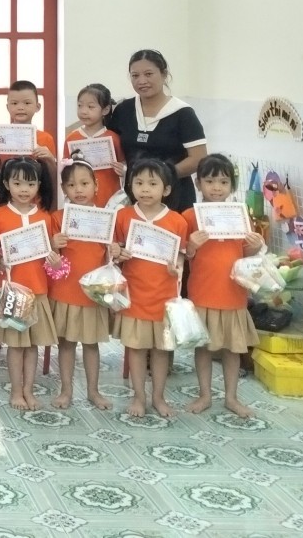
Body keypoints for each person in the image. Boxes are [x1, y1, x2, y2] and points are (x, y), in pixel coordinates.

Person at [183, 153, 264, 417]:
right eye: (209, 181)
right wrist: (191, 245)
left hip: (233, 293)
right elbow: (183, 255)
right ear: (198, 183)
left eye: (223, 182)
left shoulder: (240, 215)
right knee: (204, 347)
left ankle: (231, 397)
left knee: (233, 348)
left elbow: (245, 253)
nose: (216, 188)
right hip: (203, 291)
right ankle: (205, 395)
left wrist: (254, 247)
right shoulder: (189, 217)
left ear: (232, 185)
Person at [113, 157, 188, 419]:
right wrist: (117, 253)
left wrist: (176, 268)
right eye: (139, 183)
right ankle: (139, 396)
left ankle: (158, 397)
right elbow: (114, 249)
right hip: (134, 295)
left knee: (161, 349)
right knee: (135, 348)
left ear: (166, 189)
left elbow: (180, 257)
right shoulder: (123, 216)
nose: (145, 189)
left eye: (152, 184)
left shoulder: (177, 221)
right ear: (131, 186)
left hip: (164, 297)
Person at [0, 156, 60, 411]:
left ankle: (29, 389)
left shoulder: (45, 218)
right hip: (12, 291)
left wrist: (55, 259)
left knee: (32, 345)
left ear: (38, 186)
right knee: (16, 345)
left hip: (38, 290)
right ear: (6, 184)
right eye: (17, 183)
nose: (24, 189)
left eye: (30, 184)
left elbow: (54, 261)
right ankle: (16, 391)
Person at [107, 50, 208, 213]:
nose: (141, 81)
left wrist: (160, 176)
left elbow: (198, 158)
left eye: (148, 74)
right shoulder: (124, 110)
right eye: (135, 76)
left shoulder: (183, 113)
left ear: (164, 74)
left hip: (175, 199)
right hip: (133, 199)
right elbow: (108, 145)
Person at [49, 158, 112, 410]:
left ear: (96, 185)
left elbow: (112, 253)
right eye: (72, 185)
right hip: (65, 291)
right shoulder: (58, 218)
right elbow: (49, 256)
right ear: (64, 189)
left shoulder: (105, 218)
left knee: (91, 344)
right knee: (66, 344)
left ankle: (93, 391)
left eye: (85, 183)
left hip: (93, 293)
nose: (79, 190)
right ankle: (66, 390)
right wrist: (53, 244)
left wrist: (115, 249)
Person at [62, 84, 124, 207]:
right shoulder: (71, 138)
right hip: (81, 200)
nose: (83, 111)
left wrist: (123, 170)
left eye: (91, 107)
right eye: (80, 106)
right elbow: (66, 172)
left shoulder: (114, 138)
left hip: (109, 199)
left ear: (105, 110)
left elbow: (124, 164)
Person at [0, 80, 57, 167]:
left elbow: (53, 174)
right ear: (8, 107)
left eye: (27, 103)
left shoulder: (46, 138)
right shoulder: (1, 136)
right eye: (14, 103)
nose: (20, 107)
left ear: (37, 107)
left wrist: (50, 158)